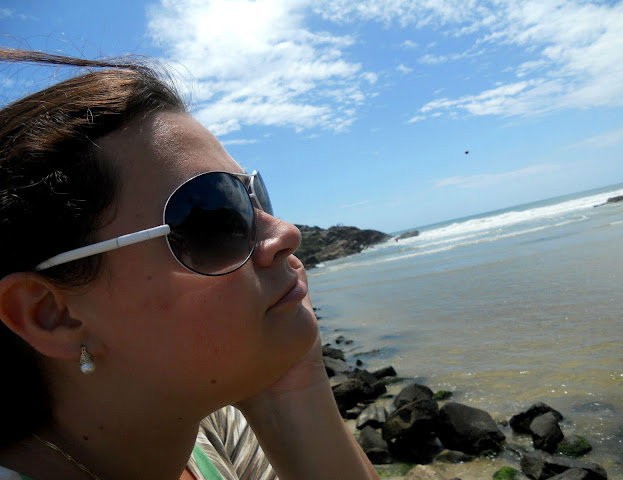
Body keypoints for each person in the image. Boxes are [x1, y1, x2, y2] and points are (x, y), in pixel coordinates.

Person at [0, 48, 379, 480]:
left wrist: (294, 389)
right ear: (51, 314)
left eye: (251, 195)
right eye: (214, 217)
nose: (286, 233)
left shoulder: (207, 433)